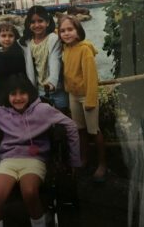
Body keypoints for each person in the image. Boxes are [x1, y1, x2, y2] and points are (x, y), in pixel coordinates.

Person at [0, 74, 81, 227]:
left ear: (29, 94)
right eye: (13, 94)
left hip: (34, 159)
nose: (18, 98)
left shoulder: (43, 110)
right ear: (8, 96)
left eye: (22, 93)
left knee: (29, 191)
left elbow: (70, 125)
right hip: (8, 159)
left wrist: (74, 159)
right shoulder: (1, 113)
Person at [58, 14, 106, 181]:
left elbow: (91, 78)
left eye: (70, 29)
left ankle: (102, 164)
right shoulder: (66, 49)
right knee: (80, 130)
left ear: (78, 31)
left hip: (86, 95)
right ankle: (84, 159)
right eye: (62, 30)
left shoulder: (85, 49)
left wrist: (91, 100)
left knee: (94, 130)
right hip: (73, 95)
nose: (66, 33)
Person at [19, 5, 68, 112]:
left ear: (48, 22)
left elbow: (55, 60)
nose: (36, 25)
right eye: (32, 22)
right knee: (45, 122)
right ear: (28, 24)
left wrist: (52, 83)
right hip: (39, 91)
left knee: (63, 119)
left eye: (40, 21)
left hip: (57, 88)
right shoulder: (26, 43)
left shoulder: (53, 39)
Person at [0, 21, 26, 106]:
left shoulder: (18, 54)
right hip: (1, 93)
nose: (7, 39)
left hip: (15, 95)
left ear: (15, 37)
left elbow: (20, 77)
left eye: (10, 36)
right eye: (3, 36)